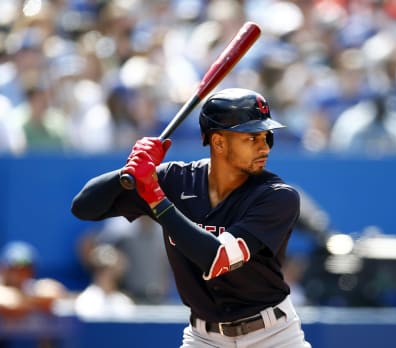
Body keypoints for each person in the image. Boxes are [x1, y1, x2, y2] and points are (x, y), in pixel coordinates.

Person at [71, 88, 311, 348]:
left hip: (272, 336)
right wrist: (127, 171)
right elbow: (84, 208)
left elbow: (217, 259)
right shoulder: (175, 180)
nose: (264, 146)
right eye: (252, 138)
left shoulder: (277, 196)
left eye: (267, 136)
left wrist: (157, 201)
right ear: (219, 142)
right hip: (203, 337)